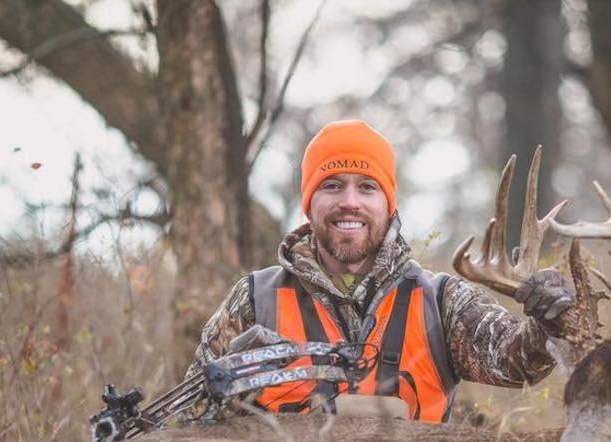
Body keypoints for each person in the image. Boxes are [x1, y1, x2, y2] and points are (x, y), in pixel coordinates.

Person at [185, 119, 574, 422]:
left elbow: (514, 361)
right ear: (309, 202)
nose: (349, 202)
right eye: (332, 186)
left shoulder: (439, 301)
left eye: (367, 187)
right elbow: (193, 414)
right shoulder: (257, 298)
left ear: (389, 204)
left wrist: (545, 321)